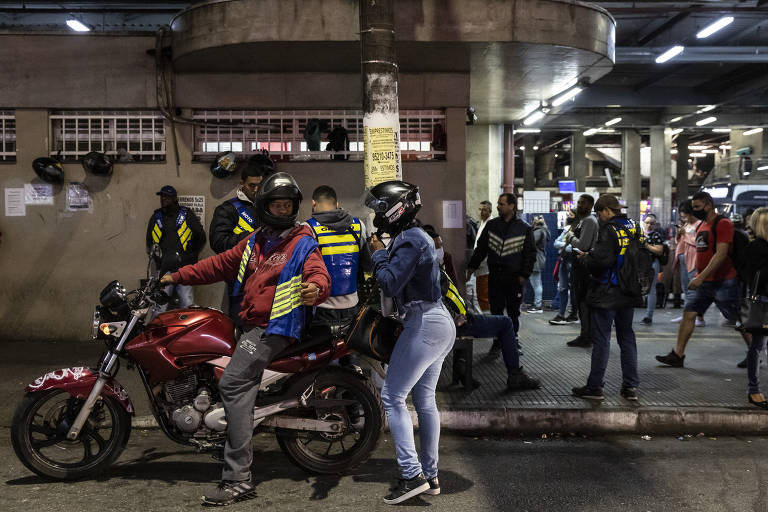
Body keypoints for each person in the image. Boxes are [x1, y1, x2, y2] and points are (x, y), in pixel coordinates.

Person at [159, 172, 331, 506]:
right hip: (251, 324)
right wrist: (174, 275)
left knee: (234, 383)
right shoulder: (256, 242)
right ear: (264, 207)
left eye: (287, 205)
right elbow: (216, 265)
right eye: (276, 205)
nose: (282, 211)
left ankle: (238, 478)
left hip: (276, 327)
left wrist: (315, 289)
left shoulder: (302, 241)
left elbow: (317, 272)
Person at [364, 181, 455, 505]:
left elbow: (389, 281)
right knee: (425, 399)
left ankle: (411, 474)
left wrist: (377, 254)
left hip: (425, 322)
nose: (376, 215)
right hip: (437, 320)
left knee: (392, 396)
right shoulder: (417, 237)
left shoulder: (410, 239)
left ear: (395, 209)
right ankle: (429, 476)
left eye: (379, 208)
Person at [656, 191, 751, 368]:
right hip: (704, 282)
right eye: (693, 208)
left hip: (724, 282)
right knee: (689, 314)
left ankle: (754, 352)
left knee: (738, 318)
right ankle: (678, 355)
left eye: (697, 207)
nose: (695, 211)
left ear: (708, 204)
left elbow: (721, 254)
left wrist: (700, 277)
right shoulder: (702, 226)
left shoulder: (723, 224)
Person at [572, 195, 640, 401]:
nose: (600, 218)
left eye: (600, 213)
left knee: (601, 339)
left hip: (608, 292)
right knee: (627, 337)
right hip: (629, 290)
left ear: (606, 211)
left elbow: (600, 261)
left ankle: (595, 387)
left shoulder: (609, 229)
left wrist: (585, 259)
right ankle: (630, 387)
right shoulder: (634, 226)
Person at [466, 193, 535, 354]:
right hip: (495, 276)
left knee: (513, 311)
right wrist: (471, 268)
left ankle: (513, 341)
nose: (498, 206)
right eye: (498, 203)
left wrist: (524, 275)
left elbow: (530, 255)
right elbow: (481, 249)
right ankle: (497, 342)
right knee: (496, 311)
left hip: (514, 279)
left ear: (512, 206)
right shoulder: (492, 226)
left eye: (501, 204)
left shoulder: (524, 228)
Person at [209, 153, 274, 322]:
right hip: (239, 280)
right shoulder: (228, 209)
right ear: (242, 184)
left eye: (259, 185)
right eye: (251, 185)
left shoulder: (271, 208)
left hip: (269, 279)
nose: (255, 190)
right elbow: (218, 242)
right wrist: (251, 238)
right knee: (240, 326)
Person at [307, 185, 368, 336]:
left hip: (321, 309)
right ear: (337, 204)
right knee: (349, 351)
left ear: (313, 203)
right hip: (352, 306)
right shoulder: (358, 225)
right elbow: (368, 264)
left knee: (321, 355)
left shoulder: (307, 228)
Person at [146, 185, 206, 309]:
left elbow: (201, 236)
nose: (163, 199)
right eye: (162, 196)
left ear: (174, 198)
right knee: (159, 307)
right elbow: (149, 242)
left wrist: (191, 256)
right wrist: (159, 260)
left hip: (184, 268)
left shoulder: (186, 214)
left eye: (166, 197)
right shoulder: (156, 217)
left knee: (187, 303)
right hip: (163, 270)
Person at [563, 194, 599, 347]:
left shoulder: (590, 221)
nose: (579, 205)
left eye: (583, 203)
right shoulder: (582, 221)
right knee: (580, 301)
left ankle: (587, 336)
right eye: (578, 202)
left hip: (585, 268)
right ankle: (585, 334)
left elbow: (583, 245)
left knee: (584, 302)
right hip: (579, 266)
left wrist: (570, 236)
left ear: (590, 206)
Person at [745, 207, 768, 409]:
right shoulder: (757, 248)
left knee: (759, 347)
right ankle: (754, 390)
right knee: (758, 347)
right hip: (762, 303)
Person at [671, 201, 705, 325]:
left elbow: (698, 242)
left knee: (694, 289)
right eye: (682, 216)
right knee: (686, 288)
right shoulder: (685, 225)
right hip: (682, 258)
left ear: (691, 213)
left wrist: (684, 235)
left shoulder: (700, 225)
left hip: (694, 259)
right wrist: (679, 234)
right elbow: (679, 240)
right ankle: (687, 314)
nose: (683, 218)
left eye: (685, 215)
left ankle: (698, 317)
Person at [549, 212, 578, 324]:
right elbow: (556, 243)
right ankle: (561, 314)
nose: (568, 216)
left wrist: (565, 245)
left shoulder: (579, 229)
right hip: (564, 261)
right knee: (562, 288)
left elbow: (575, 247)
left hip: (573, 262)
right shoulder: (567, 229)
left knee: (574, 289)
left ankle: (573, 314)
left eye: (571, 214)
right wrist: (565, 245)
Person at [466, 200, 493, 314]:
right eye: (480, 209)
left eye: (485, 210)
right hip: (480, 267)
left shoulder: (490, 224)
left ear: (490, 211)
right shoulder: (482, 223)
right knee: (479, 296)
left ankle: (488, 323)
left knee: (483, 298)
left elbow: (484, 249)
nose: (481, 212)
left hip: (485, 267)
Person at [639, 213, 665, 325]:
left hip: (652, 264)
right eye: (647, 223)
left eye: (652, 223)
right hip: (639, 265)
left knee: (651, 290)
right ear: (643, 223)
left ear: (655, 225)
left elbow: (659, 251)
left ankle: (648, 316)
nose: (649, 225)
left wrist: (646, 245)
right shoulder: (638, 234)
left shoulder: (656, 236)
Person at [527, 215, 550, 314]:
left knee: (536, 283)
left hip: (536, 259)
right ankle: (537, 303)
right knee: (537, 283)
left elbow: (530, 242)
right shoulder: (543, 230)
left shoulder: (538, 231)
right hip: (538, 258)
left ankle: (538, 306)